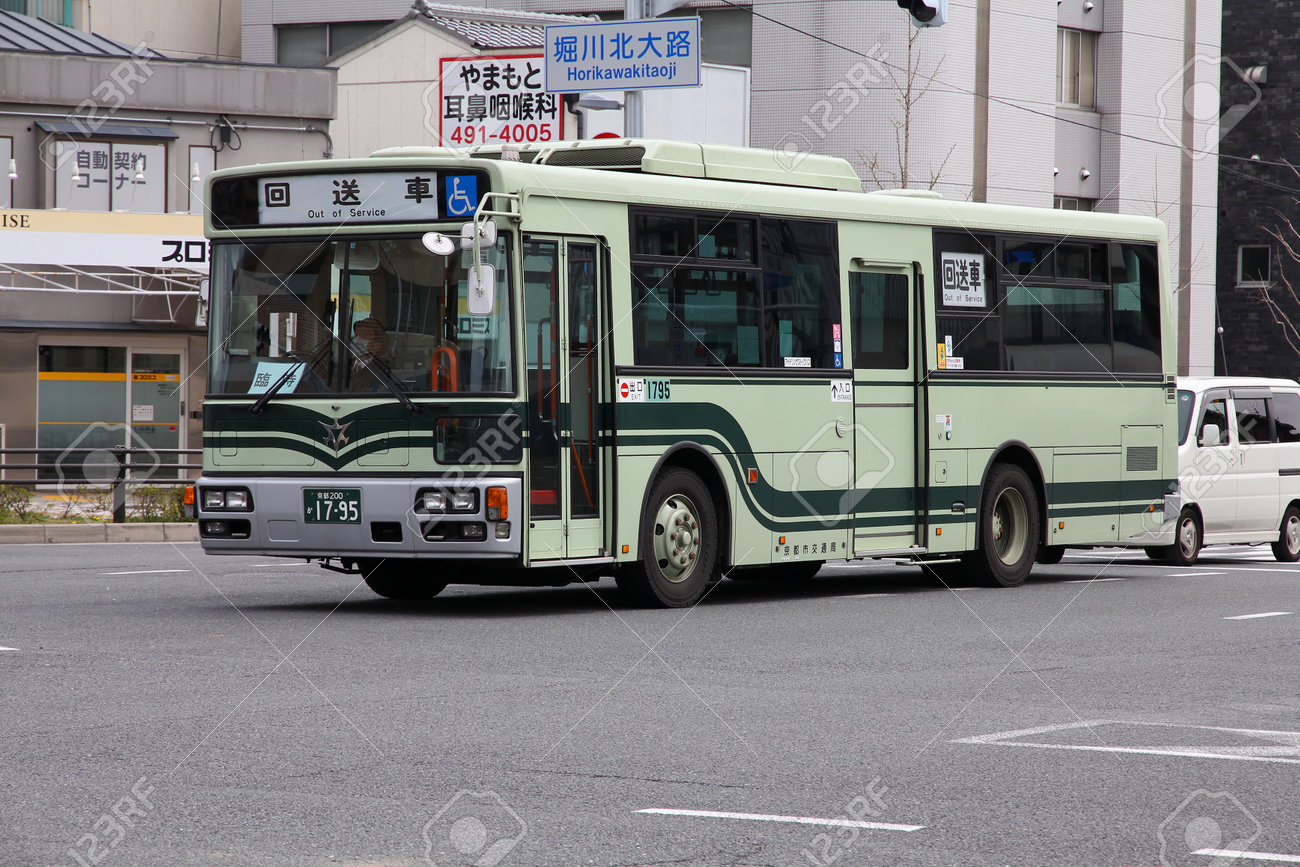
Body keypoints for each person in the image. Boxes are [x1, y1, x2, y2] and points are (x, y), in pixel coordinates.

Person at [347, 316, 393, 392]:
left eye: (365, 335)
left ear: (377, 344)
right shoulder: (344, 366)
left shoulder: (380, 372)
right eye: (356, 334)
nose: (357, 339)